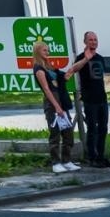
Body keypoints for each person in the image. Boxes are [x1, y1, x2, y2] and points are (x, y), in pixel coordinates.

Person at [31, 41, 76, 173]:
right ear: (38, 51)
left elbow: (65, 77)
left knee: (68, 130)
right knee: (55, 132)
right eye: (45, 50)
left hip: (61, 99)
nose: (47, 52)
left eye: (48, 50)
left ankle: (67, 160)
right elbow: (46, 89)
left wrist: (75, 66)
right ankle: (56, 162)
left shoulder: (50, 67)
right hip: (52, 102)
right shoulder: (38, 69)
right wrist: (57, 106)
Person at [69, 30, 110, 167]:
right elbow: (73, 69)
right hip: (89, 100)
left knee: (103, 129)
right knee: (92, 129)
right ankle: (91, 158)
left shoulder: (100, 58)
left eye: (95, 40)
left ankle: (101, 156)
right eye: (91, 40)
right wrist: (86, 59)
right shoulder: (81, 57)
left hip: (102, 99)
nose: (93, 42)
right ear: (85, 42)